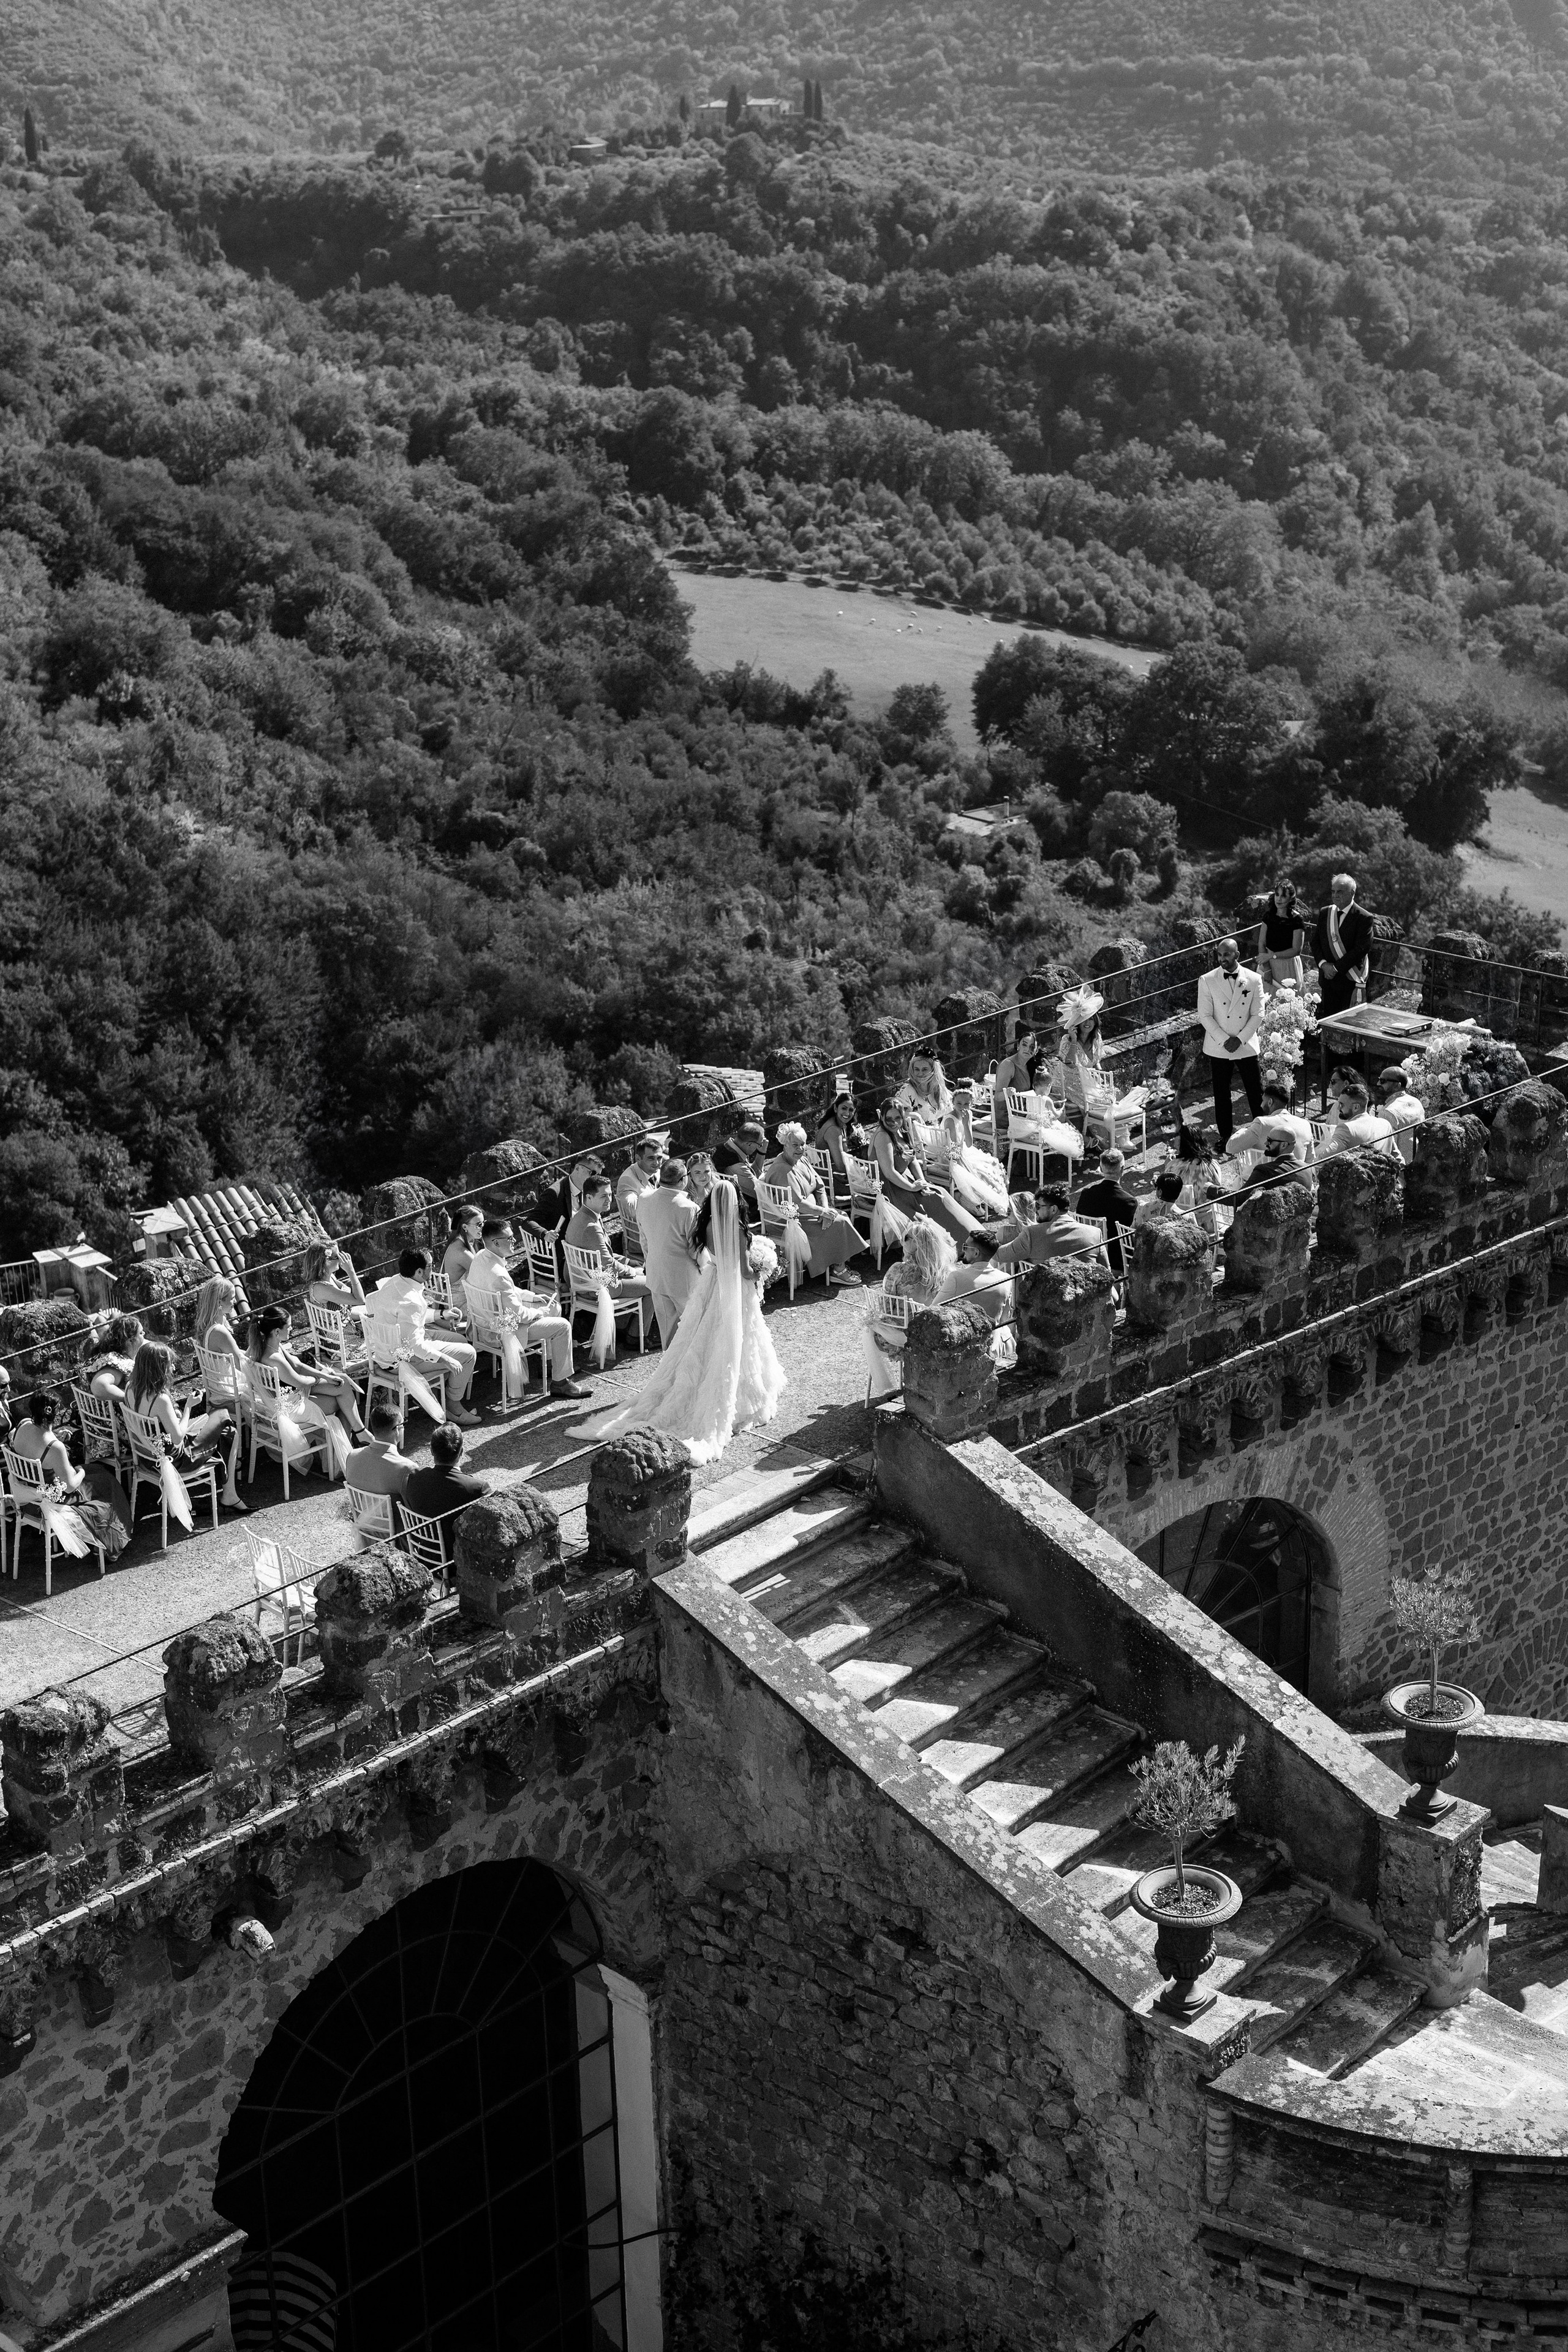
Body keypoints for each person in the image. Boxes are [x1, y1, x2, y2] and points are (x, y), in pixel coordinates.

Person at [583, 1178, 786, 1464]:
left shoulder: (707, 1224)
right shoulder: (738, 1228)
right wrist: (761, 1271)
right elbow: (744, 1270)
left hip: (712, 1281)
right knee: (737, 1337)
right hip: (734, 1289)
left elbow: (712, 1257)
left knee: (702, 1335)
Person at [865, 1216, 1013, 1399]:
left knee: (868, 1326)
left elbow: (886, 1307)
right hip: (935, 1333)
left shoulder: (898, 1270)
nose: (903, 1241)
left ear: (916, 1244)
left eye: (906, 1238)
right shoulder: (949, 1272)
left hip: (904, 1335)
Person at [465, 1216, 589, 1402]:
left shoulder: (481, 1257)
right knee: (563, 1326)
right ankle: (560, 1383)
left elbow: (505, 1291)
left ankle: (551, 1364)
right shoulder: (498, 1274)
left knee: (553, 1306)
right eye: (510, 1238)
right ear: (496, 1243)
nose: (515, 1241)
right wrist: (540, 1312)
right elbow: (519, 1315)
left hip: (481, 1326)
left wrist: (532, 1297)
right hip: (502, 1333)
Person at [126, 1340, 246, 1513]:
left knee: (227, 1430)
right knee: (223, 1416)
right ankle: (230, 1493)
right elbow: (177, 1438)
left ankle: (230, 1492)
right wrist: (189, 1406)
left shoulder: (131, 1388)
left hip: (147, 1457)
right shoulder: (160, 1399)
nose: (173, 1368)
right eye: (169, 1364)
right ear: (157, 1368)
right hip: (177, 1459)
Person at [9, 1390, 130, 1560]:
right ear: (52, 1413)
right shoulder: (55, 1447)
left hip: (29, 1496)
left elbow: (37, 1443)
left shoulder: (23, 1425)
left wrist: (55, 1436)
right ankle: (107, 1544)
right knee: (106, 1480)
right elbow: (70, 1487)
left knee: (97, 1472)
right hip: (55, 1498)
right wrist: (81, 1471)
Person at [367, 1249, 480, 1427]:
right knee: (469, 1354)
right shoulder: (411, 1301)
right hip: (404, 1359)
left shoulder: (395, 1281)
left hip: (391, 1349)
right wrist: (445, 1359)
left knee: (461, 1341)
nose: (433, 1269)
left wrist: (442, 1314)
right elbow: (416, 1346)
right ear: (419, 1272)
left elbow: (412, 1318)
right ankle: (453, 1407)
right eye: (431, 1266)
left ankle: (433, 1394)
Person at [249, 1304, 360, 1477]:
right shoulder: (274, 1359)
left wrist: (326, 1376)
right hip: (291, 1408)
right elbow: (300, 1382)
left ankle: (354, 1442)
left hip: (292, 1398)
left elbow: (298, 1365)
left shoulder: (269, 1347)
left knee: (342, 1384)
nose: (292, 1329)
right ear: (277, 1332)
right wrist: (320, 1378)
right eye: (289, 1326)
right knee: (342, 1401)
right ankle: (345, 1458)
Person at [897, 1053, 1011, 1220]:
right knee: (970, 1165)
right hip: (925, 1143)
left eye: (925, 1069)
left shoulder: (939, 1088)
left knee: (986, 1164)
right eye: (916, 1069)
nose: (920, 1073)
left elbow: (956, 1107)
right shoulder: (906, 1091)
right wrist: (914, 1116)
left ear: (933, 1070)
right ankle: (968, 1200)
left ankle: (977, 1199)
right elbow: (896, 1114)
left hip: (949, 1139)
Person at [870, 1098, 987, 1248]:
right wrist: (913, 1188)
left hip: (904, 1181)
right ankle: (958, 1245)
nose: (894, 1123)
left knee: (938, 1193)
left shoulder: (902, 1131)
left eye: (898, 1118)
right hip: (891, 1188)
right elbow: (889, 1173)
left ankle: (973, 1240)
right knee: (933, 1201)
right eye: (889, 1119)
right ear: (882, 1118)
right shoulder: (883, 1136)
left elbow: (912, 1160)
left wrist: (923, 1183)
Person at [763, 1122, 866, 1287]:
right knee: (840, 1222)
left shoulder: (802, 1160)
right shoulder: (782, 1169)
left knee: (840, 1217)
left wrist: (825, 1210)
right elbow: (798, 1203)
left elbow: (820, 1188)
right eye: (795, 1145)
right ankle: (839, 1270)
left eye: (803, 1144)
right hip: (791, 1219)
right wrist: (823, 1213)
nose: (800, 1148)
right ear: (785, 1145)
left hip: (812, 1212)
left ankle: (836, 1265)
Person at [1197, 935, 1265, 1147]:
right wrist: (1224, 1040)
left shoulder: (1254, 979)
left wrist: (1240, 1039)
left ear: (1237, 954)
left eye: (1226, 954)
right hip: (1219, 1046)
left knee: (1255, 1092)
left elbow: (1258, 1013)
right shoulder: (1207, 980)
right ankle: (1225, 1137)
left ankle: (1263, 1134)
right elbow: (1205, 1015)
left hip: (1246, 1044)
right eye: (1219, 954)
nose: (1222, 959)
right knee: (1221, 1094)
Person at [636, 1161, 704, 1348]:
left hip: (656, 1274)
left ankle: (670, 1365)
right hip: (685, 1278)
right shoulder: (689, 1208)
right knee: (695, 1330)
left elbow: (644, 1238)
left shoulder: (644, 1198)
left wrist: (650, 1259)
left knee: (668, 1332)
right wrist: (705, 1270)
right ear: (683, 1180)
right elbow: (695, 1249)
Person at [995, 1183, 1108, 1270]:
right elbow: (1106, 1271)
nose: (1035, 1210)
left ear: (1054, 1209)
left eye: (1038, 1206)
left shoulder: (1032, 1234)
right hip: (1087, 1292)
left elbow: (999, 1255)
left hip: (1044, 1293)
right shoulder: (1095, 1233)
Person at [401, 1422, 488, 1527]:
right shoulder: (477, 1488)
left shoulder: (414, 1476)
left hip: (421, 1537)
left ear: (431, 1451)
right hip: (455, 1538)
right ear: (461, 1452)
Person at [1314, 872, 1375, 1018]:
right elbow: (1315, 942)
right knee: (1327, 1022)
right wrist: (1323, 965)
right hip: (1328, 980)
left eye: (1340, 892)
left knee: (1348, 1024)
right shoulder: (1325, 913)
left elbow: (1361, 949)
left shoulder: (1364, 918)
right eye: (1333, 891)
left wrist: (1335, 968)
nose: (1335, 895)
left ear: (1352, 893)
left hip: (1349, 982)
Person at [1074, 1148, 1139, 1276]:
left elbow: (1080, 1222)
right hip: (1117, 1261)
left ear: (1101, 1168)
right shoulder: (1128, 1202)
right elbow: (1129, 1235)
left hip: (1090, 1254)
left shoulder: (1086, 1194)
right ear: (1122, 1169)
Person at [1228, 1083, 1316, 1167]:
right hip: (1297, 1176)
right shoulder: (1305, 1124)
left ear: (1270, 1102)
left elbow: (1231, 1147)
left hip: (1264, 1176)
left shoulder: (1262, 1123)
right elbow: (1310, 1161)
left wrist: (1245, 1129)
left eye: (1263, 1101)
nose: (1261, 1105)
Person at [344, 1404, 416, 1501]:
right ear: (397, 1430)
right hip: (392, 1511)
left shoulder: (352, 1456)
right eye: (404, 1424)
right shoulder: (407, 1468)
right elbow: (412, 1505)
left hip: (361, 1509)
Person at [527, 1155, 604, 1242]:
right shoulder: (554, 1193)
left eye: (598, 1177)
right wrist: (545, 1234)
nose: (595, 1181)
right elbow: (529, 1222)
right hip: (563, 1247)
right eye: (592, 1174)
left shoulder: (589, 1190)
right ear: (578, 1168)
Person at [1055, 989, 1107, 1115]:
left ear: (1095, 1021)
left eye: (1091, 1019)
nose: (1087, 1023)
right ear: (1077, 1022)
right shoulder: (1067, 1040)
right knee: (1095, 1104)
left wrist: (1103, 1078)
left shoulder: (1096, 1038)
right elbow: (1071, 1064)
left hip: (1089, 1084)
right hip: (1070, 1084)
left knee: (1110, 1096)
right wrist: (1074, 1040)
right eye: (1083, 1019)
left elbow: (1096, 1062)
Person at [616, 1134, 667, 1257]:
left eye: (659, 1158)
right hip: (641, 1239)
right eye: (651, 1158)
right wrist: (660, 1197)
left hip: (660, 1230)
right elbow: (632, 1209)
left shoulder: (657, 1172)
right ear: (638, 1158)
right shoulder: (628, 1179)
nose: (657, 1163)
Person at [992, 1026, 1041, 1144]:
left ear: (1036, 1051)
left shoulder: (1030, 1065)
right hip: (1008, 1116)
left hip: (1023, 1112)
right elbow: (997, 1097)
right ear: (1018, 1046)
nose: (1027, 1049)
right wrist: (1008, 1093)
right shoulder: (1008, 1065)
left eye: (1032, 1047)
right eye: (1024, 1045)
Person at [1329, 1080, 1400, 1159]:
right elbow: (1397, 1157)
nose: (1338, 1108)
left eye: (1341, 1105)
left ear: (1356, 1107)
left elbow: (1324, 1159)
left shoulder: (1346, 1129)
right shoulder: (1385, 1124)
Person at [1257, 879, 1306, 990]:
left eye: (1283, 896)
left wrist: (1272, 956)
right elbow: (1261, 943)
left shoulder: (1297, 920)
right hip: (1268, 964)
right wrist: (1267, 969)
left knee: (1289, 997)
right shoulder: (1268, 916)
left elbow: (1296, 950)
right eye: (1277, 894)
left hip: (1288, 966)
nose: (1279, 899)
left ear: (1291, 899)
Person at [88, 1314, 146, 1409]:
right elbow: (98, 1386)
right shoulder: (119, 1363)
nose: (144, 1333)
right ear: (131, 1341)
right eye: (141, 1333)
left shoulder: (111, 1353)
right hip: (112, 1416)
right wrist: (131, 1398)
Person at [814, 1095, 869, 1193]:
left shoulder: (838, 1124)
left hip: (832, 1174)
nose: (847, 1113)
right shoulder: (833, 1130)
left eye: (851, 1110)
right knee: (874, 1181)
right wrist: (860, 1171)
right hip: (833, 1179)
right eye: (844, 1108)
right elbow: (840, 1165)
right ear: (836, 1108)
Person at [713, 1121, 767, 1218]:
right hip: (739, 1211)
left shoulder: (730, 1147)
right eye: (760, 1144)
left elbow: (752, 1173)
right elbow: (760, 1193)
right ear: (749, 1144)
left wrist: (762, 1152)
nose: (760, 1146)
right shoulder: (736, 1164)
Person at [1377, 1065, 1427, 1161]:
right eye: (1379, 1080)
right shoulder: (1416, 1102)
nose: (1378, 1083)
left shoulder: (1387, 1112)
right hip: (1418, 1161)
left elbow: (1388, 1151)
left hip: (1401, 1166)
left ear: (1397, 1086)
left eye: (1383, 1081)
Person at [439, 1208, 483, 1292]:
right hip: (461, 1298)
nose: (483, 1227)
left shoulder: (459, 1241)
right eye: (479, 1225)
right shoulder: (462, 1252)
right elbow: (484, 1276)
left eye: (483, 1223)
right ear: (465, 1227)